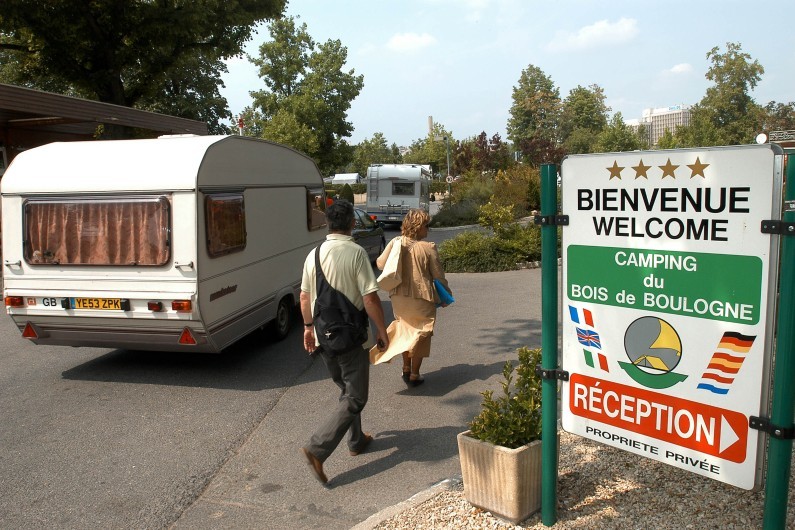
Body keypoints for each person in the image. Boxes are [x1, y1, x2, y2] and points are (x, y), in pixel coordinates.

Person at [299, 200, 389, 485]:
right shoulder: (356, 253)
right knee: (356, 396)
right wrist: (381, 330)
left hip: (324, 337)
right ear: (352, 223)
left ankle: (356, 440)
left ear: (328, 223)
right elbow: (370, 298)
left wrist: (307, 329)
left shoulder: (312, 255)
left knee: (346, 389)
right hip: (351, 338)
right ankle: (317, 448)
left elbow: (304, 297)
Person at [373, 209, 451, 387]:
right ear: (418, 226)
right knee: (422, 333)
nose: (427, 229)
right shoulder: (428, 248)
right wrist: (446, 295)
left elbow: (380, 263)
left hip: (399, 296)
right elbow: (438, 276)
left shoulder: (395, 242)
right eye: (426, 225)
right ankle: (415, 374)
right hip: (422, 297)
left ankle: (406, 368)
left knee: (406, 330)